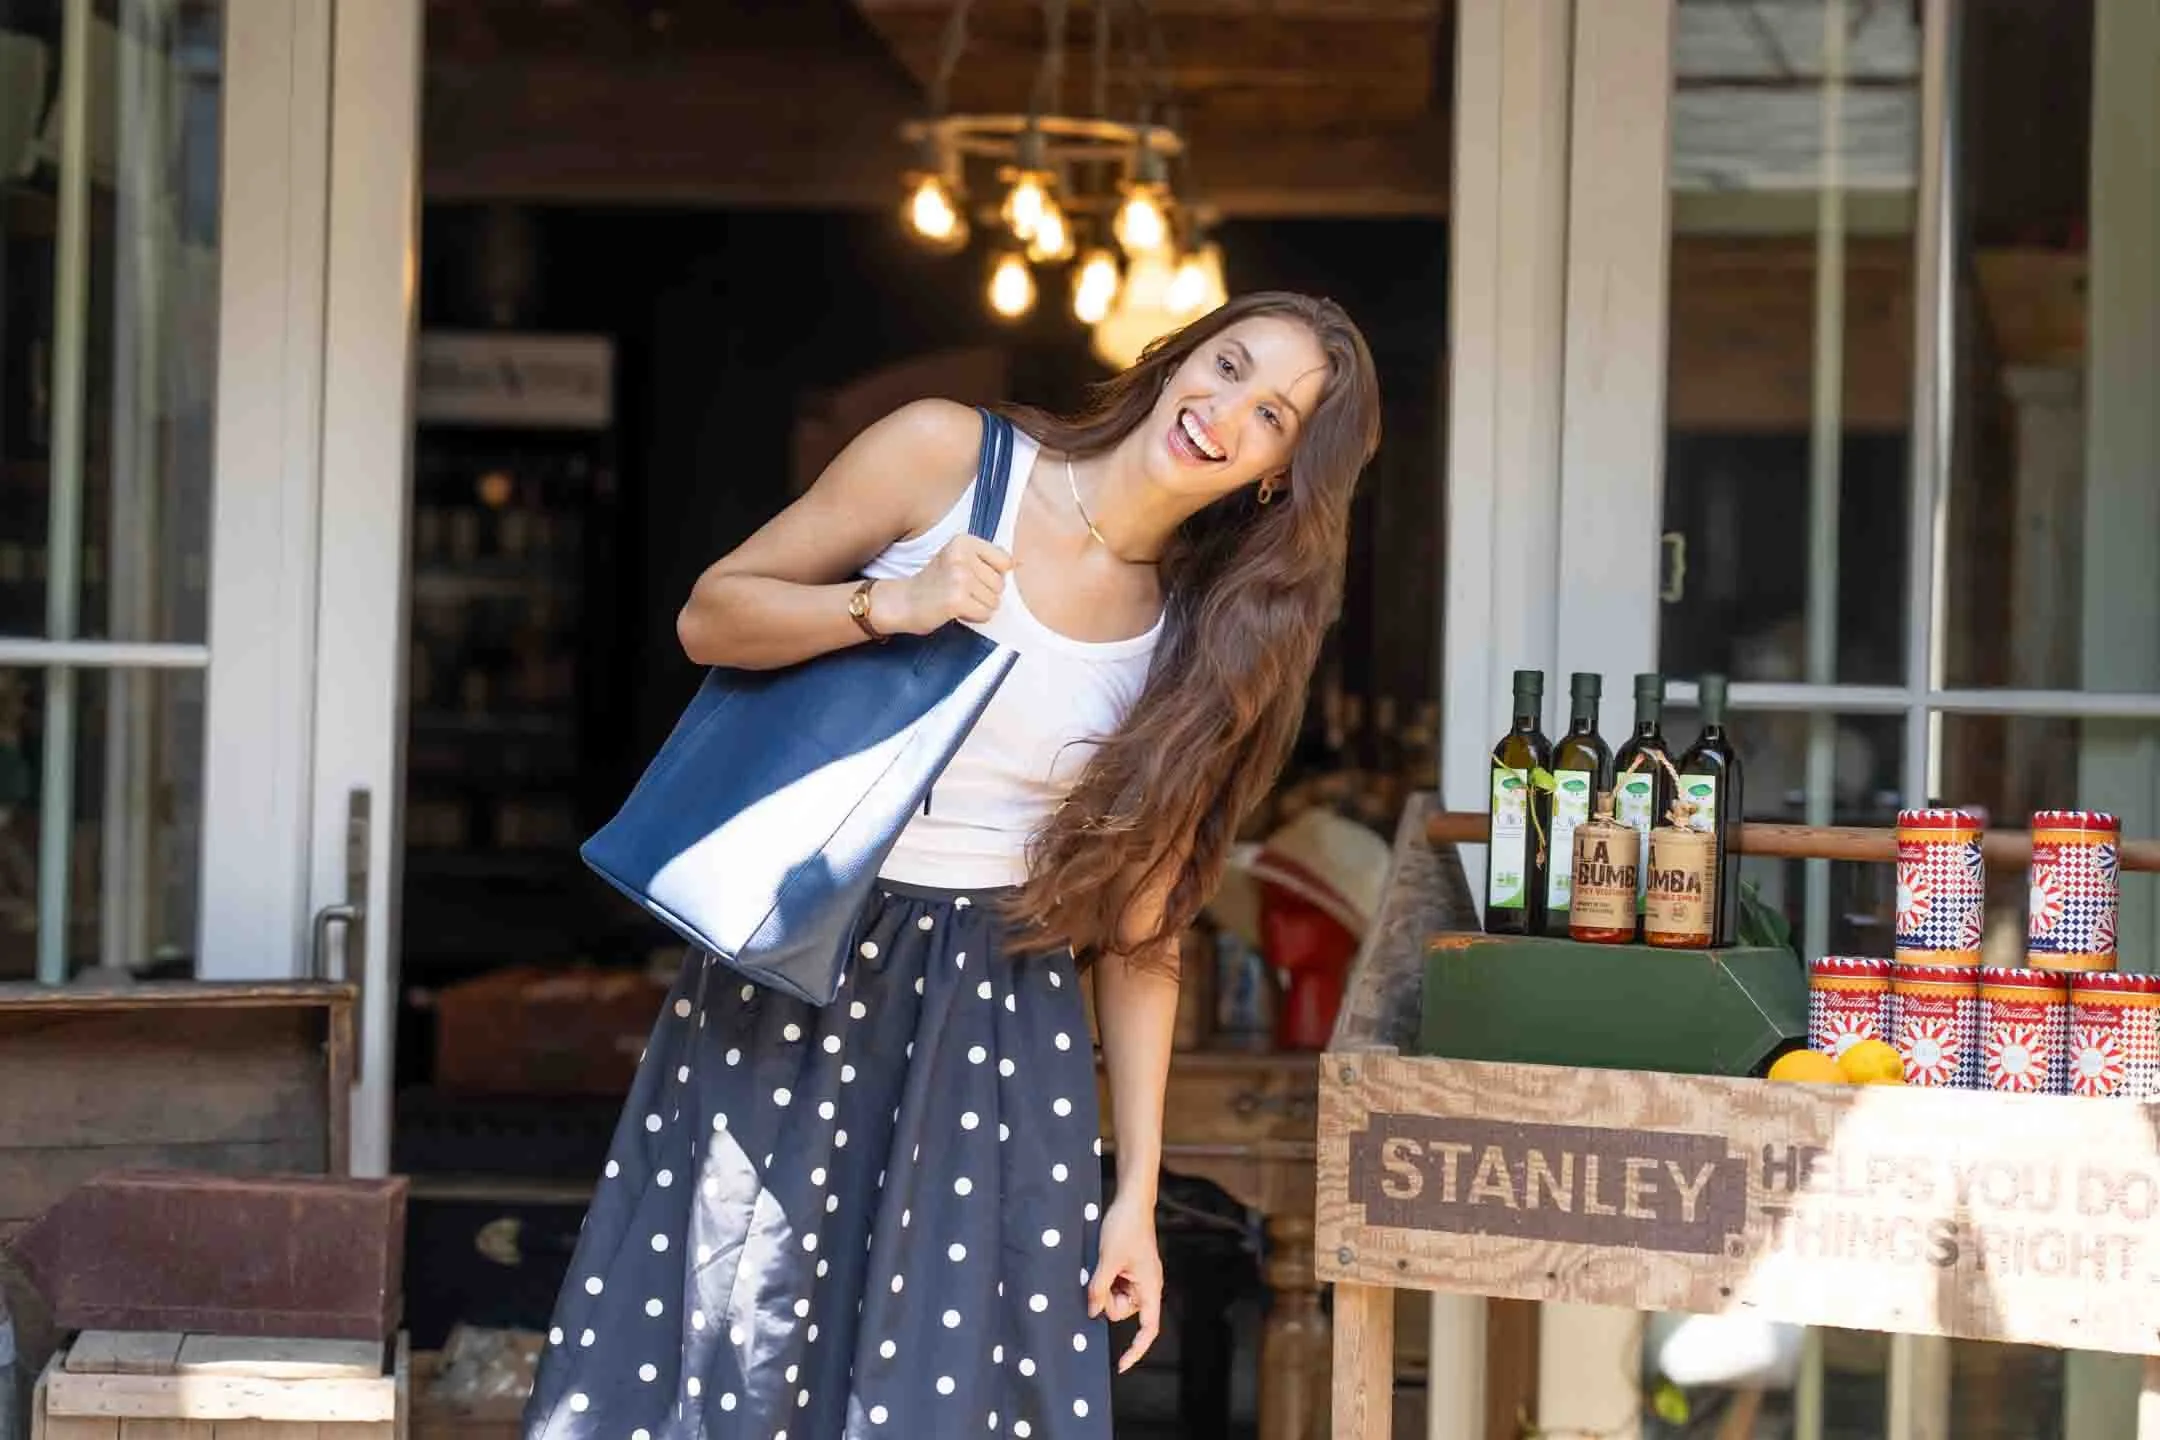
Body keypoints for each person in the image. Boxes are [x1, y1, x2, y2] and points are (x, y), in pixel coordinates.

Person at [523, 291, 1381, 1439]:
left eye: (1272, 415)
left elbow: (1143, 937)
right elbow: (711, 617)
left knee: (952, 1387)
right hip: (806, 958)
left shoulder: (1200, 642)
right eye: (1228, 366)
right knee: (737, 1342)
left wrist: (1135, 1191)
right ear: (1180, 354)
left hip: (1001, 1005)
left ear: (1281, 475)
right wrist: (893, 605)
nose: (1224, 412)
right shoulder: (949, 456)